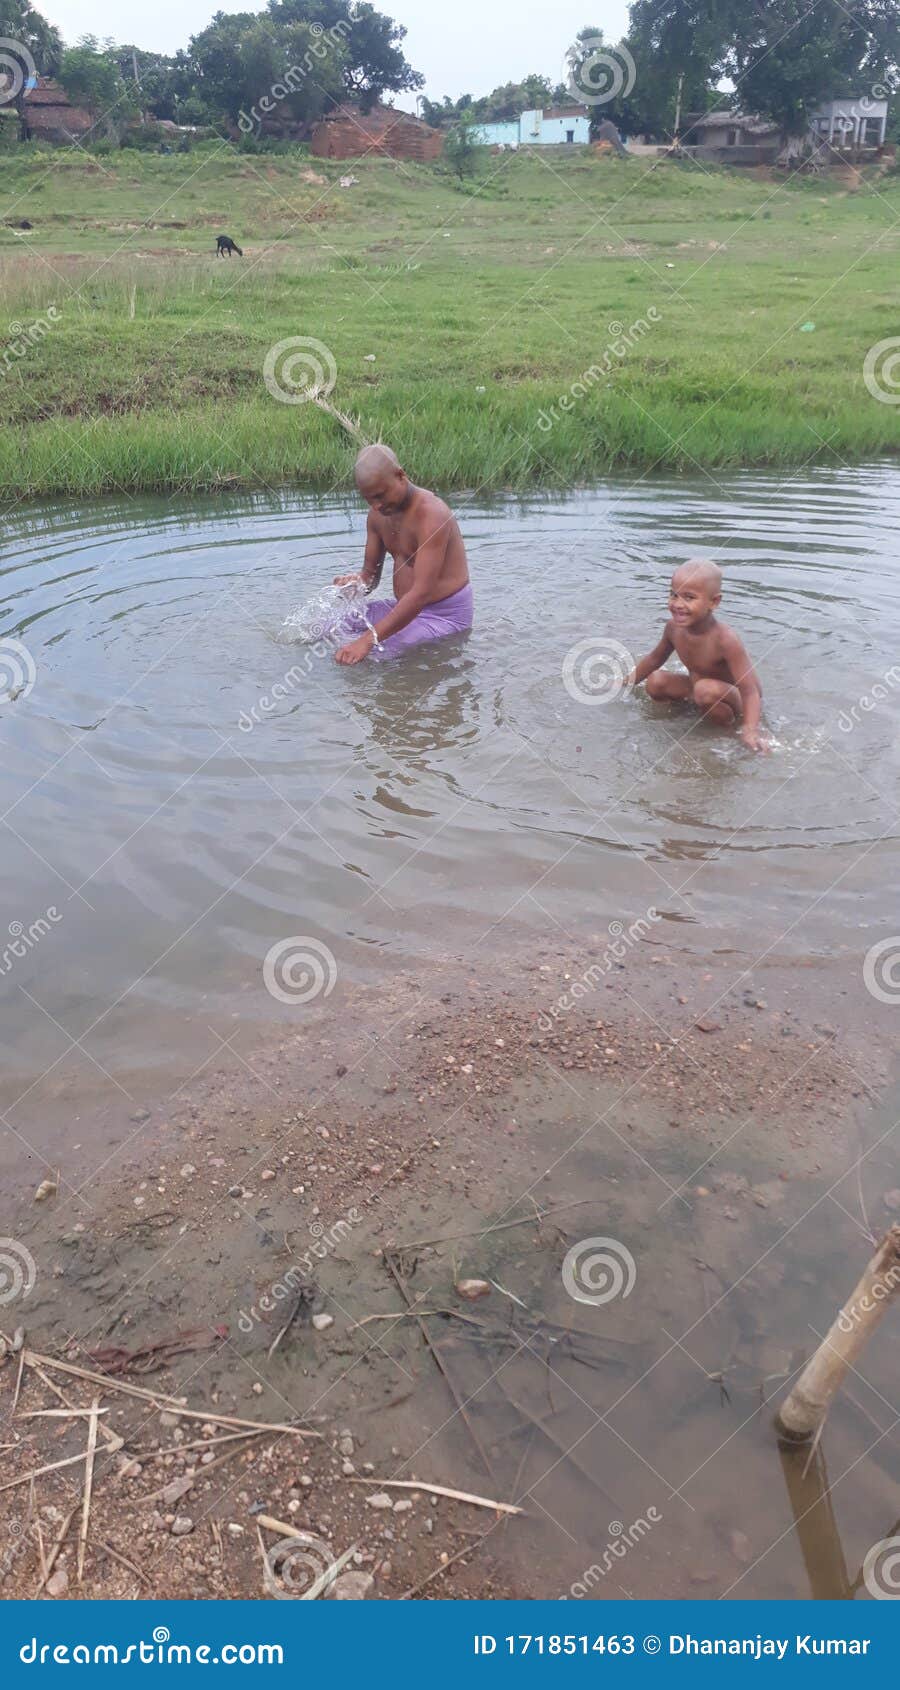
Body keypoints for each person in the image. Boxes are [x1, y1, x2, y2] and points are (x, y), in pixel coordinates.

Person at [332, 445, 473, 665]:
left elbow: (420, 594)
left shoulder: (432, 516)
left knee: (376, 655)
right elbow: (370, 576)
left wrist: (367, 640)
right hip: (403, 609)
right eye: (369, 499)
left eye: (380, 495)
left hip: (443, 616)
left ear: (400, 475)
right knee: (329, 625)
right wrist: (355, 585)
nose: (376, 505)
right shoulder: (377, 516)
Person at [628, 559, 766, 751]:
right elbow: (655, 659)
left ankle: (722, 734)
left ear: (714, 602)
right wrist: (625, 683)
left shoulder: (725, 640)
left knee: (705, 689)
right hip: (699, 692)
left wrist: (750, 730)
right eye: (673, 595)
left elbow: (751, 691)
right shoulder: (673, 628)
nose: (677, 604)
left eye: (689, 597)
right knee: (656, 681)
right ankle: (687, 718)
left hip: (735, 701)